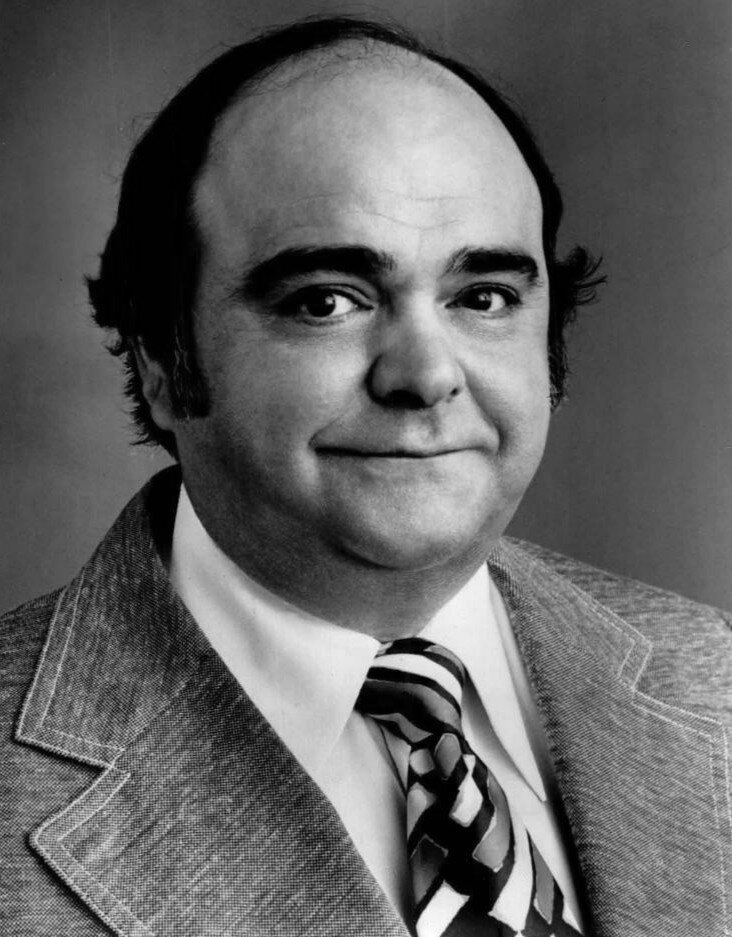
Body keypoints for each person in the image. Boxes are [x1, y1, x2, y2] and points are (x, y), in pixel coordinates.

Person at [2, 16, 730, 937]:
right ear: (159, 358)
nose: (425, 375)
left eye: (484, 297)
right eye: (326, 302)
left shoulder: (712, 676)